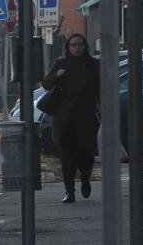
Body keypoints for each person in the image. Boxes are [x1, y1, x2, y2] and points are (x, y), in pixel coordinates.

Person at [41, 33, 100, 203]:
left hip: (86, 117)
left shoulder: (93, 65)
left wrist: (103, 107)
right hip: (64, 118)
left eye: (80, 44)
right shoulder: (61, 63)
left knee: (86, 155)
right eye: (73, 45)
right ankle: (69, 191)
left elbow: (101, 88)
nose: (77, 48)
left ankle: (85, 180)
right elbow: (46, 84)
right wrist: (57, 75)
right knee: (67, 156)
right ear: (68, 47)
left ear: (84, 46)